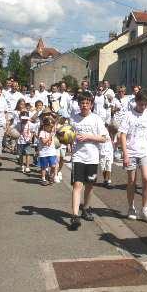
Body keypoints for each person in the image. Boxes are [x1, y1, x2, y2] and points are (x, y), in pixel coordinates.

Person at [67, 93, 109, 230]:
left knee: (90, 185)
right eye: (82, 103)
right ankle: (74, 216)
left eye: (87, 103)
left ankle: (85, 208)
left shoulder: (96, 119)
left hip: (92, 157)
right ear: (79, 104)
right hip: (78, 156)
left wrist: (88, 137)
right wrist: (66, 138)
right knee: (77, 185)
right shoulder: (73, 119)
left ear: (91, 105)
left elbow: (104, 138)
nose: (84, 105)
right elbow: (69, 135)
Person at [118, 90, 147, 223]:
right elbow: (122, 135)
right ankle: (131, 207)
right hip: (131, 151)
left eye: (145, 105)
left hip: (145, 151)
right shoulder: (129, 115)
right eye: (141, 104)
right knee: (132, 182)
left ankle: (145, 209)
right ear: (136, 102)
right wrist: (125, 154)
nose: (143, 107)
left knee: (146, 179)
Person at [37, 117, 58, 186]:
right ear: (45, 126)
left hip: (52, 152)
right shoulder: (42, 132)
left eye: (52, 126)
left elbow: (56, 126)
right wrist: (50, 136)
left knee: (53, 165)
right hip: (43, 152)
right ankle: (43, 179)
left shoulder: (52, 131)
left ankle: (51, 176)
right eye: (49, 126)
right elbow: (44, 142)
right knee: (44, 167)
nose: (51, 128)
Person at [99, 122, 117, 189]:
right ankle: (105, 180)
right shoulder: (100, 130)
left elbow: (113, 141)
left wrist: (114, 147)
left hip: (109, 150)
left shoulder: (111, 132)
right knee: (102, 167)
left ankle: (109, 181)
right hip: (102, 151)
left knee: (109, 165)